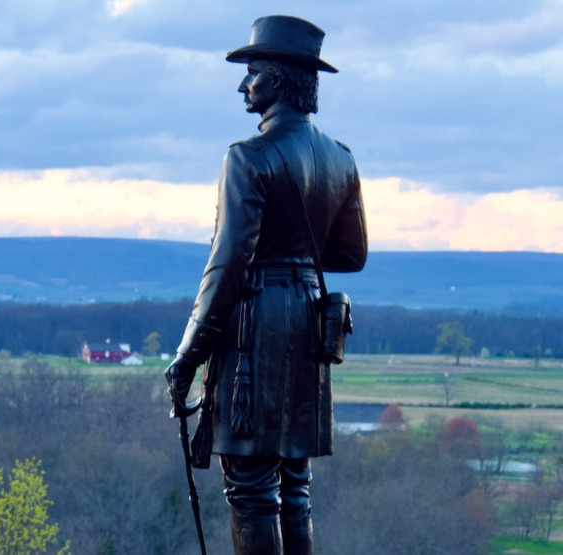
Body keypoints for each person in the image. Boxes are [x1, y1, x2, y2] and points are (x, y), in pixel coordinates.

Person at [165, 15, 368, 555]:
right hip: (306, 321)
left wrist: (188, 354)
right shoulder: (340, 159)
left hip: (258, 323)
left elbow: (226, 264)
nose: (242, 86)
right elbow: (351, 254)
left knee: (252, 490)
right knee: (294, 488)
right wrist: (296, 252)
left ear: (277, 79)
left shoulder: (247, 158)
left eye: (251, 73)